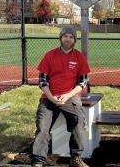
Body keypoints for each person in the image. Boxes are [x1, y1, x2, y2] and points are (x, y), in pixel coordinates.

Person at [31, 26, 90, 167]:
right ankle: (38, 160)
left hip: (69, 97)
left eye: (71, 37)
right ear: (61, 38)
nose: (68, 39)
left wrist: (67, 95)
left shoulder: (79, 57)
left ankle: (76, 157)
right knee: (42, 126)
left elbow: (82, 83)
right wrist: (52, 98)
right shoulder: (49, 55)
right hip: (49, 97)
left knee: (79, 120)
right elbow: (42, 81)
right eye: (65, 36)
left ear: (74, 39)